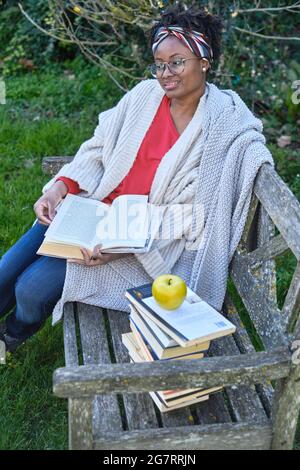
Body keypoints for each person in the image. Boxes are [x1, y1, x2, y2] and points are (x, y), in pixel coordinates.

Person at [0, 3, 274, 354]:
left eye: (177, 62)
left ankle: (11, 335)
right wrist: (60, 187)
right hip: (87, 215)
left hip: (135, 242)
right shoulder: (144, 97)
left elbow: (195, 213)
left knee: (31, 289)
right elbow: (98, 148)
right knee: (6, 271)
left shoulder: (218, 128)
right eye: (159, 64)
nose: (165, 74)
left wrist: (121, 244)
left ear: (204, 62)